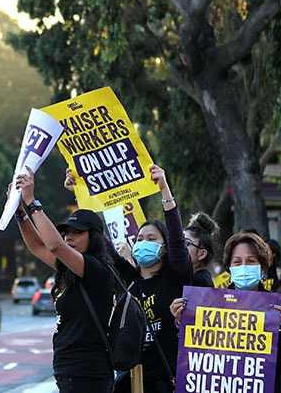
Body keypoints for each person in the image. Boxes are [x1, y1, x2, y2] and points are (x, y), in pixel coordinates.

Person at [68, 164, 192, 393]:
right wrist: (80, 192)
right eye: (140, 238)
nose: (143, 242)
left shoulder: (175, 277)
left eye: (152, 239)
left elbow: (176, 237)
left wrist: (164, 189)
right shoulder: (128, 278)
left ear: (165, 248)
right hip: (131, 378)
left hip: (167, 378)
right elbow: (100, 239)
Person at [12, 166, 116, 393]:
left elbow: (54, 246)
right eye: (67, 232)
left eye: (77, 232)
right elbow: (39, 246)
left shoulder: (96, 270)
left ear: (95, 237)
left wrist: (32, 201)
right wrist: (20, 213)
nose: (69, 237)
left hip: (87, 373)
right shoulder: (72, 269)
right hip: (69, 371)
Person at [171, 232, 281, 391]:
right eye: (237, 262)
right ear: (229, 269)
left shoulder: (280, 309)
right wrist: (183, 323)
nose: (244, 267)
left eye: (250, 261)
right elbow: (193, 359)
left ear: (262, 269)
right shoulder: (210, 307)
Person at [183, 212, 219, 288]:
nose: (180, 247)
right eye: (179, 242)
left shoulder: (198, 281)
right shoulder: (199, 277)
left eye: (186, 243)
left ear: (202, 254)